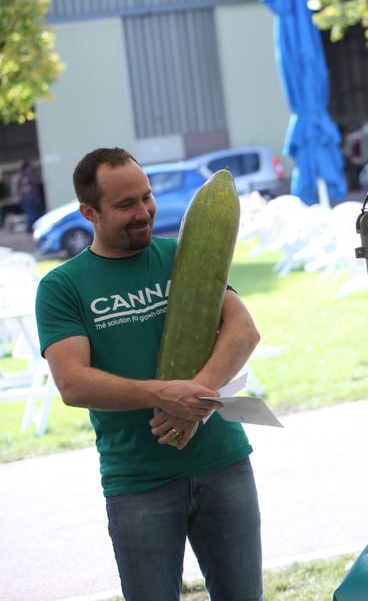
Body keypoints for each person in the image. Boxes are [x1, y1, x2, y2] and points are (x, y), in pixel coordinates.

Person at [34, 147, 264, 600]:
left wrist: (192, 402)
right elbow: (73, 382)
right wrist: (163, 394)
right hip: (138, 483)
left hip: (223, 465)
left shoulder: (183, 256)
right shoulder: (62, 287)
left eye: (146, 197)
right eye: (125, 205)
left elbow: (243, 330)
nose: (143, 212)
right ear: (89, 212)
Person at [17, 159, 44, 232]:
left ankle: (29, 228)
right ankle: (30, 229)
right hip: (30, 197)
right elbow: (36, 181)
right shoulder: (28, 174)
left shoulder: (20, 174)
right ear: (28, 166)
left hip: (24, 197)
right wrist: (42, 179)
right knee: (32, 213)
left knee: (29, 213)